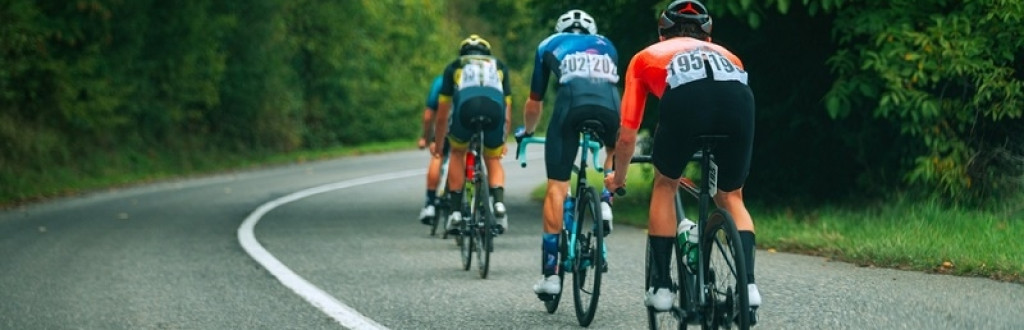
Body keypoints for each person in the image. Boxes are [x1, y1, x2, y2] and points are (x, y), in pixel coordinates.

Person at [603, 0, 761, 313]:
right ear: (709, 39)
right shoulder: (730, 56)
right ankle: (749, 286)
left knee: (665, 184)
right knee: (731, 196)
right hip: (739, 103)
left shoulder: (646, 56)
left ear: (663, 36)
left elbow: (627, 135)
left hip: (686, 103)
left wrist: (618, 178)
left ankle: (662, 288)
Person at [515, 9, 621, 297]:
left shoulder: (548, 44)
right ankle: (604, 200)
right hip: (610, 107)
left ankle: (551, 275)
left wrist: (527, 130)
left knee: (557, 188)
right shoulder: (607, 45)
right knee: (612, 146)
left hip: (570, 107)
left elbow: (535, 102)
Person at [432, 34, 513, 234]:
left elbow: (442, 114)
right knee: (493, 159)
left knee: (458, 154)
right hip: (495, 109)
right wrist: (502, 140)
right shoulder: (499, 66)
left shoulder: (455, 66)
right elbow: (508, 113)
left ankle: (455, 212)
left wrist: (440, 142)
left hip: (466, 109)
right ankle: (499, 204)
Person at [418, 75, 447, 224]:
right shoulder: (484, 76)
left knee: (438, 155)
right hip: (473, 126)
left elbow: (429, 115)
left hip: (448, 125)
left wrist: (426, 137)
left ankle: (430, 204)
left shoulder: (442, 80)